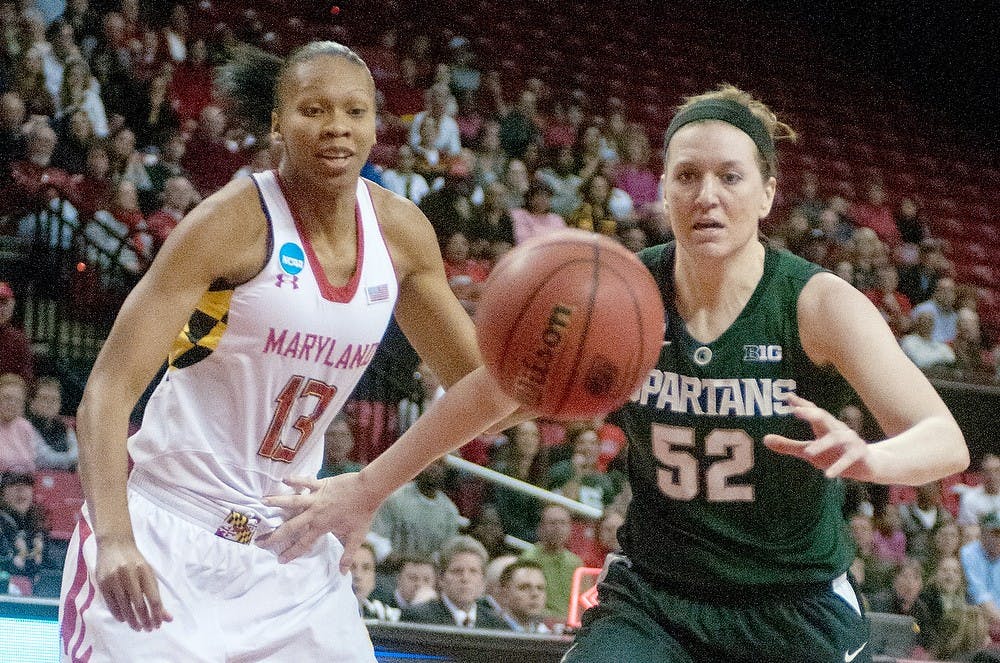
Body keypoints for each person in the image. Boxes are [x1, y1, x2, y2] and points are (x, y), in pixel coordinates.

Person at [58, 41, 522, 661]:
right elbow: (108, 393)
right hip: (168, 533)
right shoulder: (228, 223)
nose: (336, 127)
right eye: (313, 110)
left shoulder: (402, 233)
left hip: (290, 550)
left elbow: (488, 392)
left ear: (376, 124)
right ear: (278, 123)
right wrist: (113, 538)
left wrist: (562, 377)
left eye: (354, 112)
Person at [561, 85, 968, 663]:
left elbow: (947, 440)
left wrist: (872, 460)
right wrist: (381, 479)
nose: (707, 196)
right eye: (686, 176)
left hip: (792, 603)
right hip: (656, 598)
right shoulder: (625, 294)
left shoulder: (818, 304)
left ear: (767, 195)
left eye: (730, 177)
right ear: (664, 191)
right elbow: (502, 388)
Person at [400, 535, 509, 629]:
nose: (465, 578)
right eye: (457, 571)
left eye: (473, 571)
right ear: (441, 578)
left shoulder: (496, 624)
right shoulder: (419, 618)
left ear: (483, 581)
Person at [520, 503, 583, 621]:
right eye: (553, 523)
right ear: (541, 528)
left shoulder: (576, 563)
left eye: (563, 523)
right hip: (538, 623)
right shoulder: (528, 559)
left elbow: (583, 603)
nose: (558, 528)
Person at [960, 511, 1000, 635]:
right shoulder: (968, 553)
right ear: (983, 533)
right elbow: (979, 595)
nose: (998, 539)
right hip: (976, 618)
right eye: (995, 534)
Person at [498, 558, 551, 633]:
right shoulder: (487, 631)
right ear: (504, 593)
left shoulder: (548, 635)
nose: (535, 594)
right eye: (524, 587)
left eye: (540, 588)